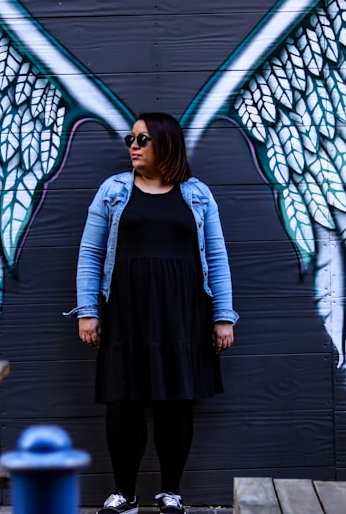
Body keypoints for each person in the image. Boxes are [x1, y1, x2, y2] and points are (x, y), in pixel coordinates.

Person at [72, 112, 238, 514]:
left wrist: (223, 315)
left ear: (165, 143)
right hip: (126, 311)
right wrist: (87, 311)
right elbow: (91, 254)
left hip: (183, 313)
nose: (133, 145)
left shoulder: (197, 194)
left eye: (142, 139)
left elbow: (216, 257)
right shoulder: (113, 191)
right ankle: (124, 494)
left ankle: (171, 492)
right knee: (122, 401)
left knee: (176, 401)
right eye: (131, 138)